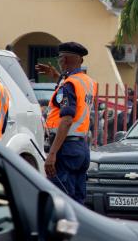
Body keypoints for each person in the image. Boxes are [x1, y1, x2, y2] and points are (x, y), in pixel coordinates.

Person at [36, 42, 99, 203]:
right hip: (81, 149)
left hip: (66, 149)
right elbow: (71, 95)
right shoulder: (87, 82)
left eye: (59, 59)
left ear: (63, 60)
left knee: (61, 201)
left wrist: (52, 154)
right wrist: (56, 76)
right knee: (77, 201)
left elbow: (67, 120)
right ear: (81, 61)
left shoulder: (69, 85)